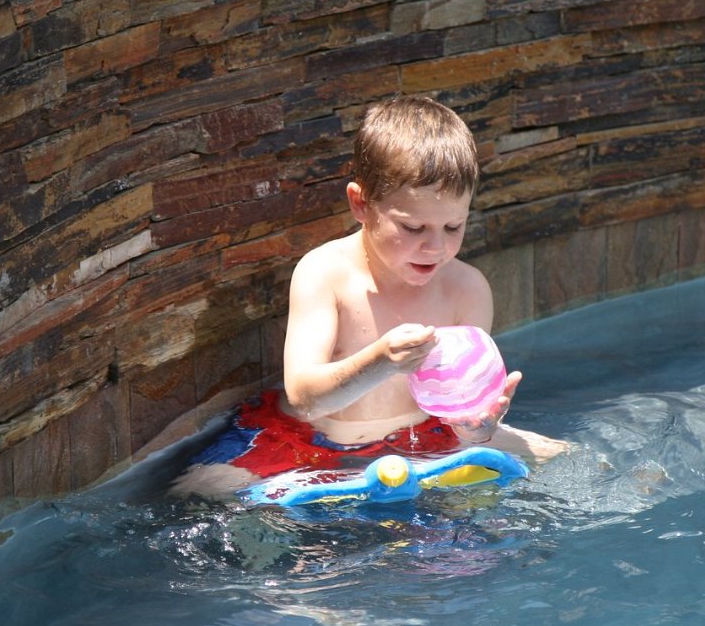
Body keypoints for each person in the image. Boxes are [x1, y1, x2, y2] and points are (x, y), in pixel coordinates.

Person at [173, 95, 564, 497]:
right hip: (308, 441)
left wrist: (475, 427)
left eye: (453, 227)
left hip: (419, 437)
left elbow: (458, 411)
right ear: (360, 204)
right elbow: (304, 398)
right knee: (202, 488)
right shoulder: (325, 273)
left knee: (563, 457)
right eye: (413, 228)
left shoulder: (466, 289)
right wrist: (380, 362)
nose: (436, 247)